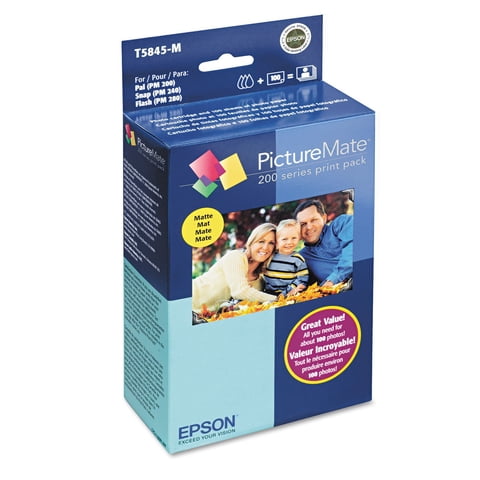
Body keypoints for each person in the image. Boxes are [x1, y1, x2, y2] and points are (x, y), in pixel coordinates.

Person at [192, 223, 278, 312]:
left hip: (202, 315)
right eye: (261, 241)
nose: (265, 247)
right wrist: (278, 300)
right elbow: (240, 291)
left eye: (271, 243)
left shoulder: (260, 282)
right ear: (251, 242)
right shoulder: (236, 257)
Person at [294, 199, 353, 287]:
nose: (309, 227)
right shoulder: (301, 258)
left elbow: (355, 249)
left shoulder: (342, 223)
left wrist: (332, 280)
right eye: (303, 224)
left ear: (324, 218)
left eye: (313, 220)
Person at [263, 219, 309, 296]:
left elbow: (302, 279)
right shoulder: (270, 255)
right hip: (269, 294)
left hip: (290, 294)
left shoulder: (297, 259)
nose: (289, 242)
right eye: (284, 239)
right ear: (277, 240)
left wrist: (286, 292)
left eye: (294, 238)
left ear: (299, 238)